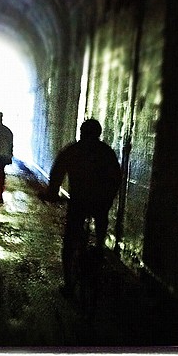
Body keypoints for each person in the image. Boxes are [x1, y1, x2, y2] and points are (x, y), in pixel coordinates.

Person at [42, 118, 122, 297]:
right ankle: (99, 252)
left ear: (82, 132)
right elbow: (116, 176)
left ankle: (69, 284)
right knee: (100, 228)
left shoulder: (72, 150)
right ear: (99, 133)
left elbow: (57, 174)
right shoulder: (106, 152)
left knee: (70, 241)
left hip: (79, 202)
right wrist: (109, 198)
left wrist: (52, 194)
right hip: (101, 202)